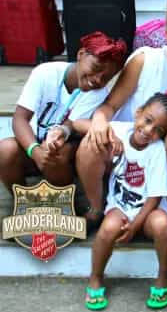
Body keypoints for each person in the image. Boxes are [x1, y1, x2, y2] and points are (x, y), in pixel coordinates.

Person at [76, 0, 167, 226]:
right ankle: (96, 207)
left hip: (157, 150)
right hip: (124, 144)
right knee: (89, 143)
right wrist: (99, 121)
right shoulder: (146, 60)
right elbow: (110, 105)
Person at [83, 92, 167, 311]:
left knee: (162, 226)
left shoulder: (156, 152)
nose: (148, 131)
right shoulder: (119, 130)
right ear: (137, 113)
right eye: (147, 121)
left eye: (158, 130)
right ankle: (96, 277)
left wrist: (135, 226)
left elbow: (155, 197)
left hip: (148, 210)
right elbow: (79, 124)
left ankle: (164, 277)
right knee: (108, 228)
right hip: (120, 205)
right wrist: (108, 134)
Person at [0, 31, 126, 192]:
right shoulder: (45, 73)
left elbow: (71, 125)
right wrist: (34, 150)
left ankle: (63, 203)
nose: (97, 79)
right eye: (95, 68)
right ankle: (23, 201)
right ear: (81, 54)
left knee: (57, 152)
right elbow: (19, 119)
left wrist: (59, 135)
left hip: (67, 153)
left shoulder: (98, 93)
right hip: (35, 146)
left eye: (105, 78)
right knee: (6, 149)